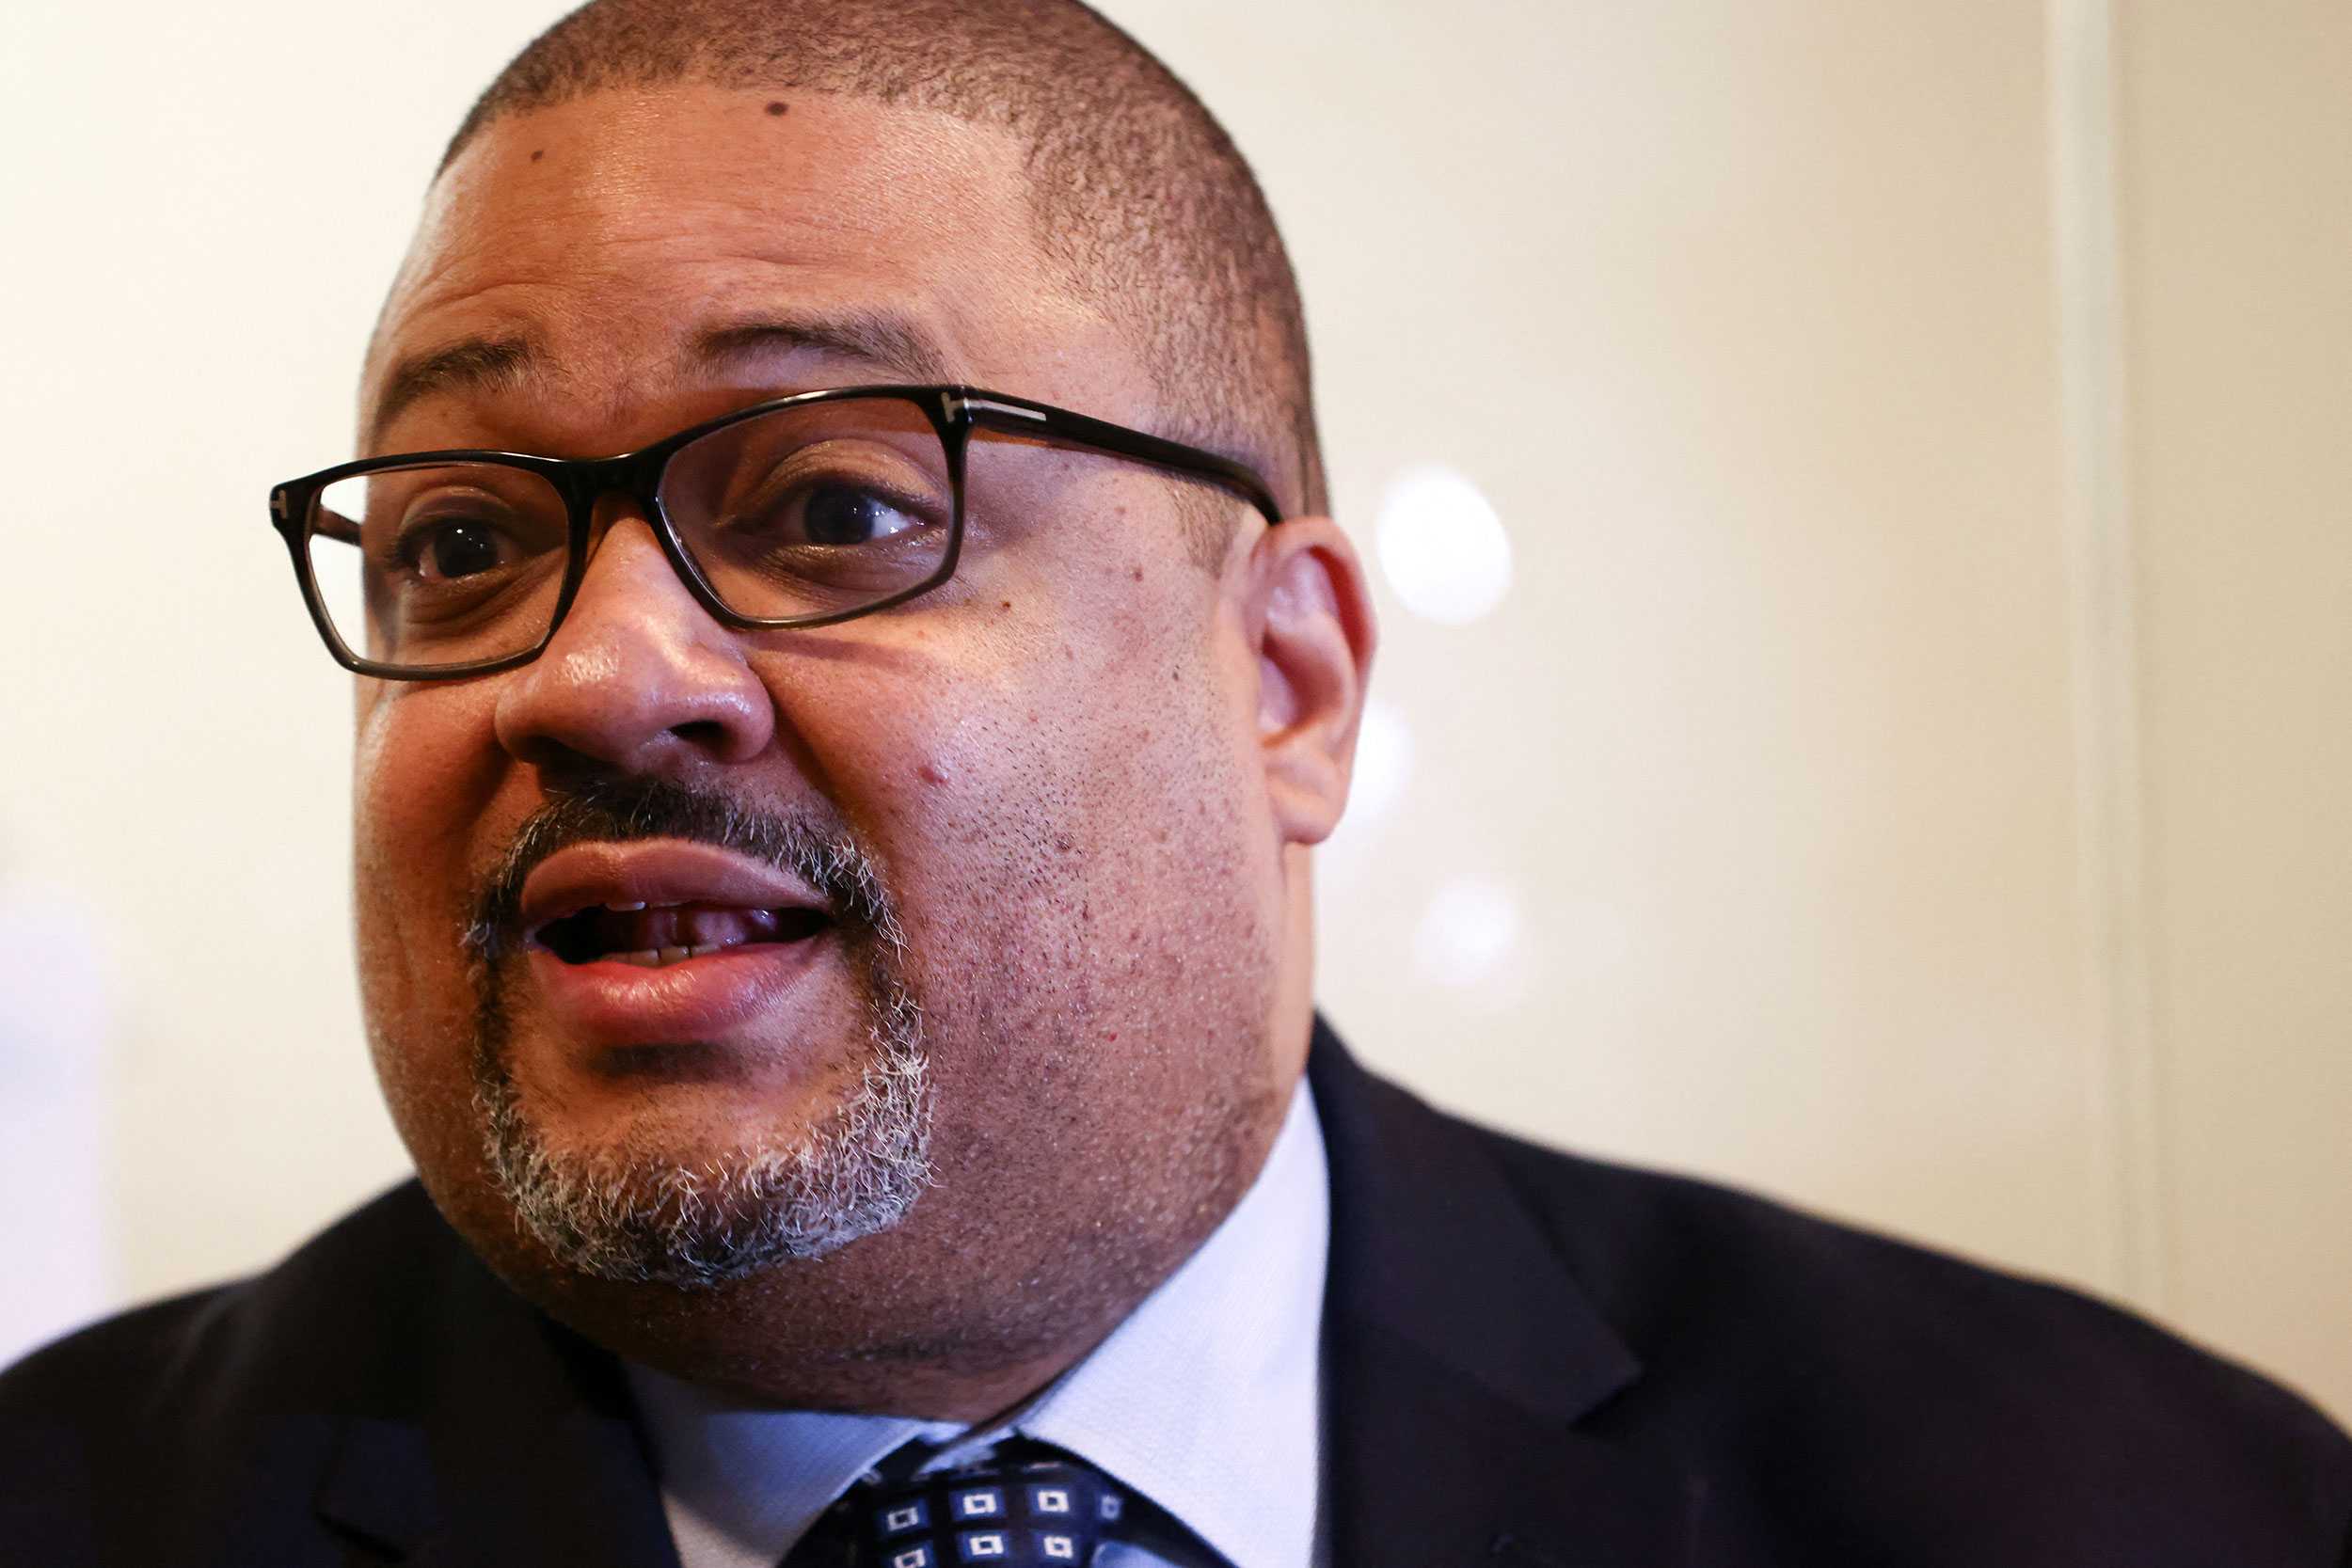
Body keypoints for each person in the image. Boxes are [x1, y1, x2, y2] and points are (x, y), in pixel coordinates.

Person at [3, 1, 2347, 1561]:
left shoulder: (2121, 1505)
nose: (602, 670)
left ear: (1289, 685)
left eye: (833, 505)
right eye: (462, 542)